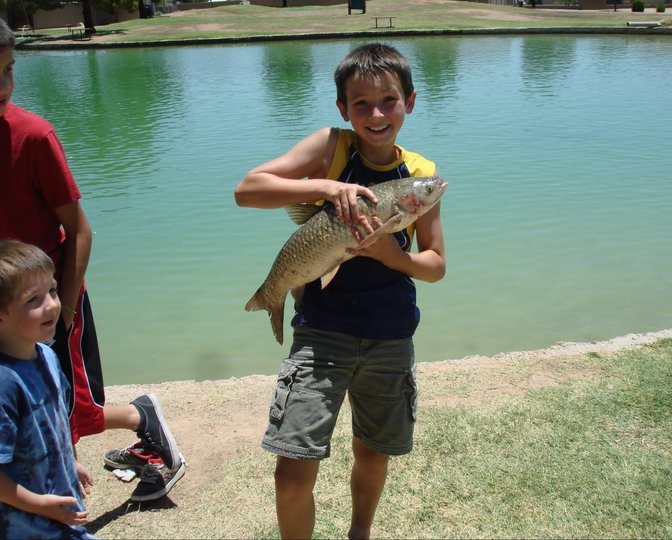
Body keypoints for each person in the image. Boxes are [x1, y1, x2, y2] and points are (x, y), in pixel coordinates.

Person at [234, 42, 446, 539]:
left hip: (390, 334)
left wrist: (392, 256)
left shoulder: (420, 176)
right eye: (361, 104)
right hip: (321, 332)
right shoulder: (333, 147)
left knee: (372, 452)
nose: (376, 114)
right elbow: (247, 191)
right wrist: (327, 188)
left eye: (389, 101)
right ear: (343, 109)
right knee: (291, 472)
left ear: (410, 102)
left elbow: (435, 266)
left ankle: (359, 534)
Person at [0, 19, 184, 502]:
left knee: (66, 403)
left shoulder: (33, 136)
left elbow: (79, 229)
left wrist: (64, 307)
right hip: (3, 306)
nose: (3, 86)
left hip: (47, 300)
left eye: (8, 70)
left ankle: (73, 486)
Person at [0, 239, 94, 538]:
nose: (52, 304)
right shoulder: (5, 383)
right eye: (33, 300)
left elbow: (54, 426)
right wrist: (38, 504)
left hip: (57, 511)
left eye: (52, 291)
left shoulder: (48, 356)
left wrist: (68, 463)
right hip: (24, 524)